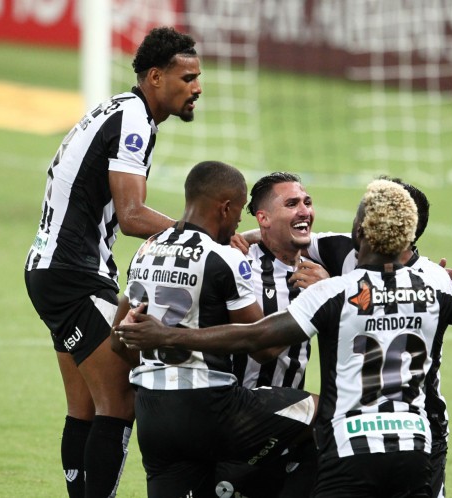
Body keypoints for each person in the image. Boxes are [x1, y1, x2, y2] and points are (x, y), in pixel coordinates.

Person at [114, 178, 452, 497]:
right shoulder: (435, 283)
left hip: (348, 447)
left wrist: (169, 335)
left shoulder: (333, 291)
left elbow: (255, 336)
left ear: (360, 231)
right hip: (417, 444)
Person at [23, 26, 202, 497]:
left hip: (51, 270)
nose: (197, 88)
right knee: (120, 402)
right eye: (187, 78)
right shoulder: (134, 121)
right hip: (74, 274)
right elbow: (132, 215)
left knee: (84, 407)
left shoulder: (119, 111)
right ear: (156, 77)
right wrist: (202, 237)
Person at [109, 161, 317, 498]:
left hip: (151, 412)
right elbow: (261, 345)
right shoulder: (223, 257)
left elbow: (119, 341)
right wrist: (313, 303)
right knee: (327, 414)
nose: (239, 224)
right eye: (238, 212)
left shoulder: (146, 250)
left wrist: (164, 362)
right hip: (211, 408)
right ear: (226, 207)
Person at [296, 177, 452, 497]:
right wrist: (241, 238)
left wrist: (328, 285)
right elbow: (291, 236)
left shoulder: (429, 278)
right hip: (365, 426)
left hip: (419, 422)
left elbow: (359, 301)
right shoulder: (339, 247)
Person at [218, 172, 325, 497]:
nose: (304, 210)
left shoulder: (318, 266)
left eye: (306, 202)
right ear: (262, 217)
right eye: (291, 204)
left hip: (289, 418)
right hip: (239, 412)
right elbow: (259, 349)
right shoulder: (238, 262)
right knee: (332, 414)